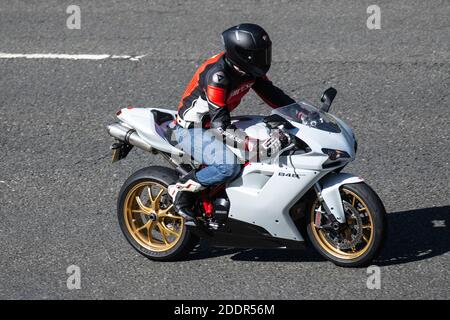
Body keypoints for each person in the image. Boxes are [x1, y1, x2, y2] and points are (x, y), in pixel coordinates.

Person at [168, 23, 295, 221]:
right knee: (229, 166)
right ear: (242, 55)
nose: (264, 58)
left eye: (265, 52)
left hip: (220, 121)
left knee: (275, 131)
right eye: (259, 54)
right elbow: (220, 128)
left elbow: (272, 94)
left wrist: (300, 113)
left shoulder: (249, 70)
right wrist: (252, 144)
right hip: (193, 129)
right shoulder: (218, 76)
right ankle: (182, 190)